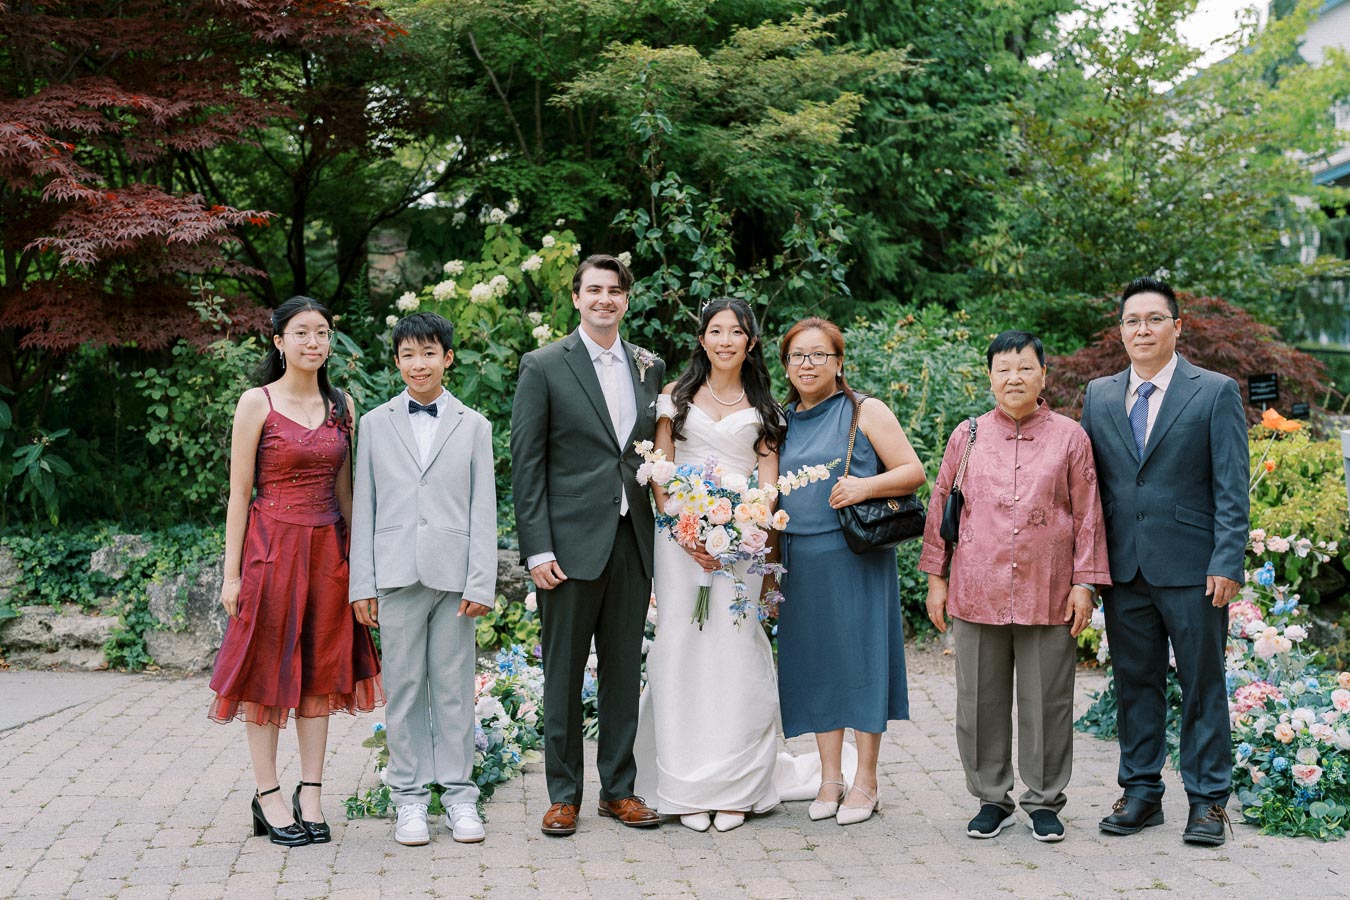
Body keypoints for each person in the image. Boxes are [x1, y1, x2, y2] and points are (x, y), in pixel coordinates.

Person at [919, 330, 1110, 843]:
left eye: (1025, 367)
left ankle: (1045, 801)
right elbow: (942, 507)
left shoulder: (1071, 437)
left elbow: (1089, 515)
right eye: (1003, 368)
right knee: (977, 700)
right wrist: (937, 579)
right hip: (976, 587)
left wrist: (1084, 584)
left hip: (1048, 588)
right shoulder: (969, 435)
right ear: (989, 377)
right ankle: (991, 798)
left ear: (1044, 375)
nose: (1014, 377)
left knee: (1047, 701)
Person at [209, 296, 384, 847]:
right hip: (270, 551)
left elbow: (347, 492)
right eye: (302, 333)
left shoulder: (344, 405)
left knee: (322, 672)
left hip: (328, 554)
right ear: (279, 342)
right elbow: (239, 494)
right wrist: (231, 574)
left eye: (323, 333)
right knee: (265, 673)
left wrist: (364, 569)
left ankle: (312, 790)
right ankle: (268, 795)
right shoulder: (255, 403)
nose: (314, 342)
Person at [1080, 277, 1249, 846]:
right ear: (1121, 330)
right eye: (1133, 320)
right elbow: (1088, 489)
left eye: (1155, 319)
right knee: (1134, 683)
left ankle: (1207, 802)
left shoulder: (1215, 391)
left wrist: (1228, 560)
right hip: (1124, 569)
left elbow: (1232, 486)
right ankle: (1141, 793)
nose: (1143, 329)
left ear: (1177, 327)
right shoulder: (1099, 395)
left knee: (1203, 684)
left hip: (1195, 568)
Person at [511, 254, 666, 836]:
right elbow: (527, 465)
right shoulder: (544, 365)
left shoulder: (650, 367)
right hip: (568, 546)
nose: (605, 299)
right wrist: (537, 549)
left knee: (625, 670)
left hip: (632, 538)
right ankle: (564, 794)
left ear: (627, 300)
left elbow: (652, 451)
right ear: (576, 298)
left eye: (615, 291)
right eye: (594, 290)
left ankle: (619, 790)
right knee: (563, 672)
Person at [633, 298, 785, 833]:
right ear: (701, 338)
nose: (725, 340)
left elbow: (768, 480)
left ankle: (736, 785)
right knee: (683, 646)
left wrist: (743, 530)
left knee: (734, 649)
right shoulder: (674, 397)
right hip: (680, 543)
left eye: (736, 332)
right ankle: (686, 784)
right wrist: (685, 528)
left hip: (740, 546)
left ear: (751, 342)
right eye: (715, 331)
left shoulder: (766, 406)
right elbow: (660, 467)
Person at [348, 312, 497, 847]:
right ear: (396, 361)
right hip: (394, 574)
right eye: (408, 354)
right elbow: (363, 504)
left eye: (429, 353)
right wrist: (361, 583)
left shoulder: (474, 425)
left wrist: (482, 582)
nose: (419, 363)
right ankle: (408, 799)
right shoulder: (372, 424)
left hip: (455, 577)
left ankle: (459, 797)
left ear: (448, 358)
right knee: (406, 688)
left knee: (454, 689)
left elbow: (484, 509)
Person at [774, 317, 925, 826]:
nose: (808, 364)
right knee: (816, 664)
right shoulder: (780, 420)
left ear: (839, 362)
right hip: (799, 558)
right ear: (786, 366)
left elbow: (913, 471)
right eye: (798, 356)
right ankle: (829, 778)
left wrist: (863, 487)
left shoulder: (865, 411)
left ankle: (867, 780)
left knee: (860, 663)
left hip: (855, 555)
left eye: (819, 354)